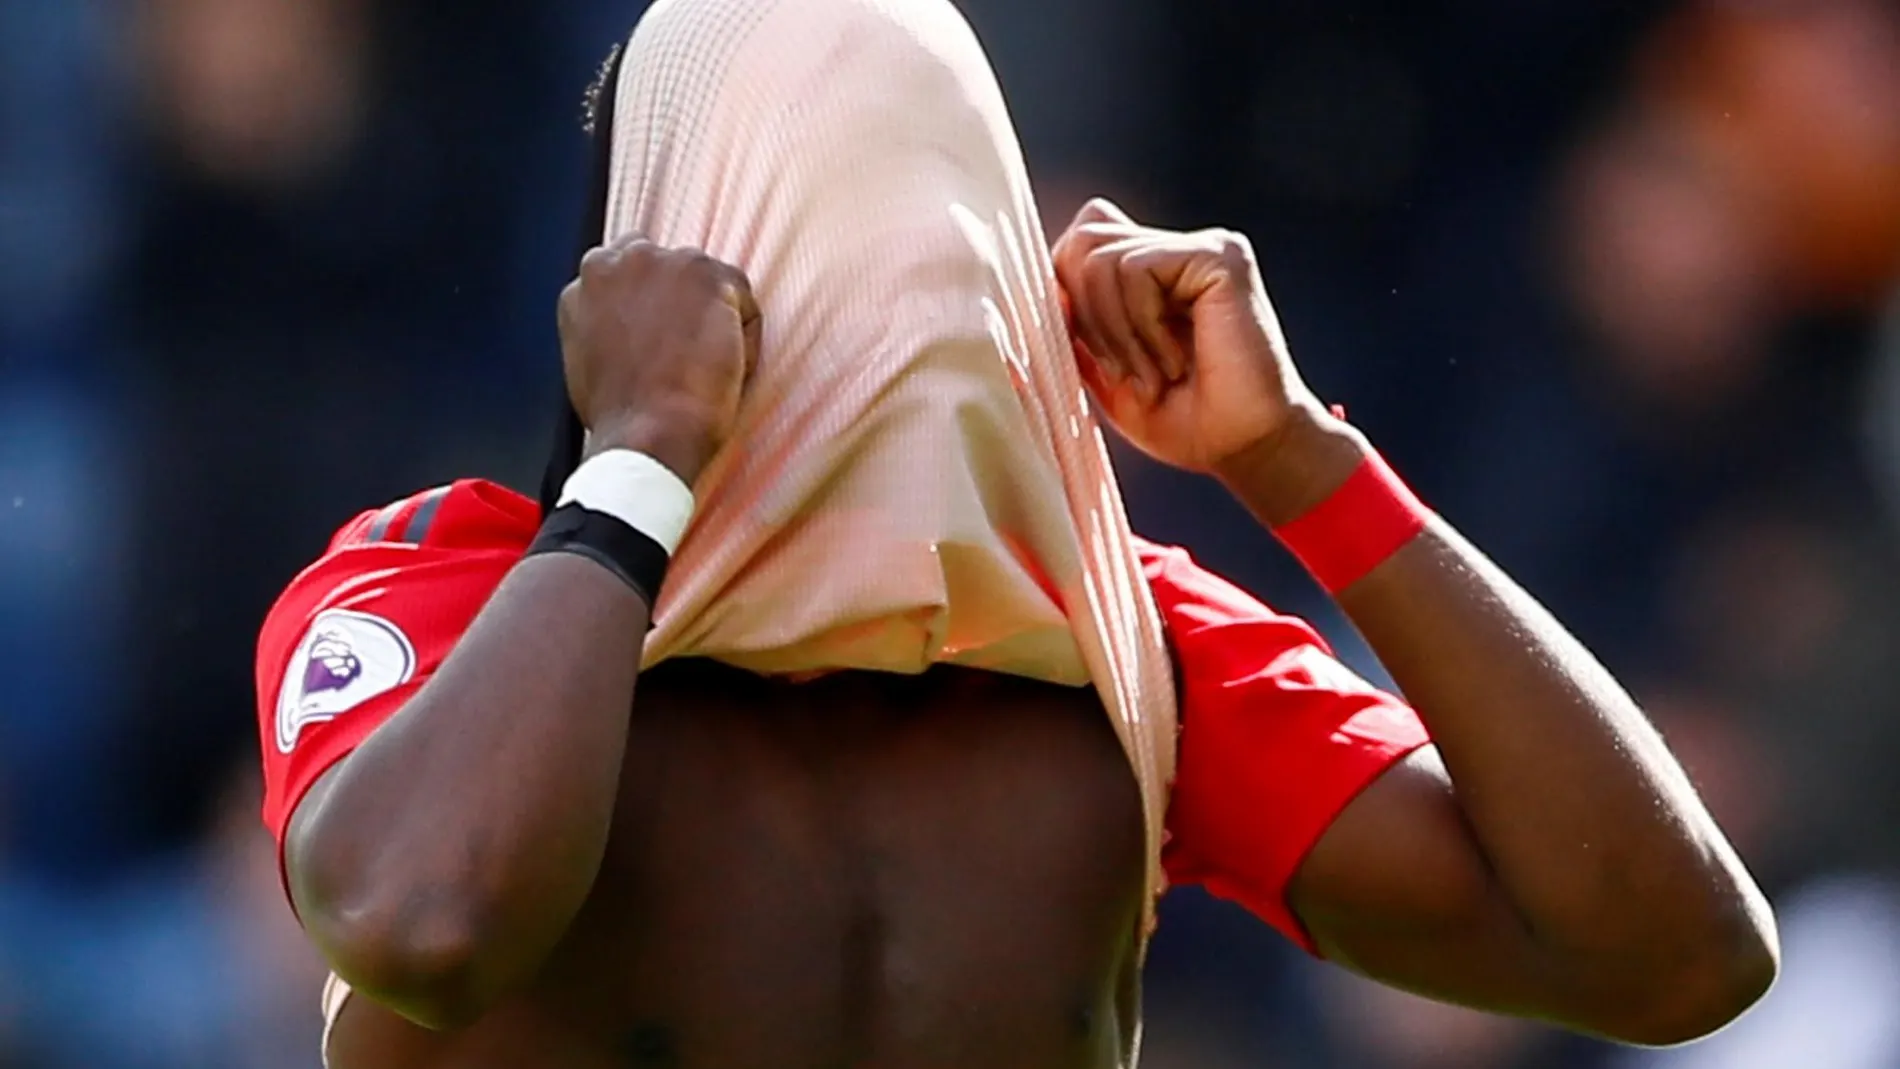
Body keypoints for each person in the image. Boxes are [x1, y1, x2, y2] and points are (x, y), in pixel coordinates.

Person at [252, 1, 1778, 1066]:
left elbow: (1675, 956)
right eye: (823, 261)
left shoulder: (1131, 643)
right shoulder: (436, 588)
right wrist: (642, 463)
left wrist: (1301, 460)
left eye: (938, 256)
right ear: (653, 299)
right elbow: (423, 916)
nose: (902, 328)